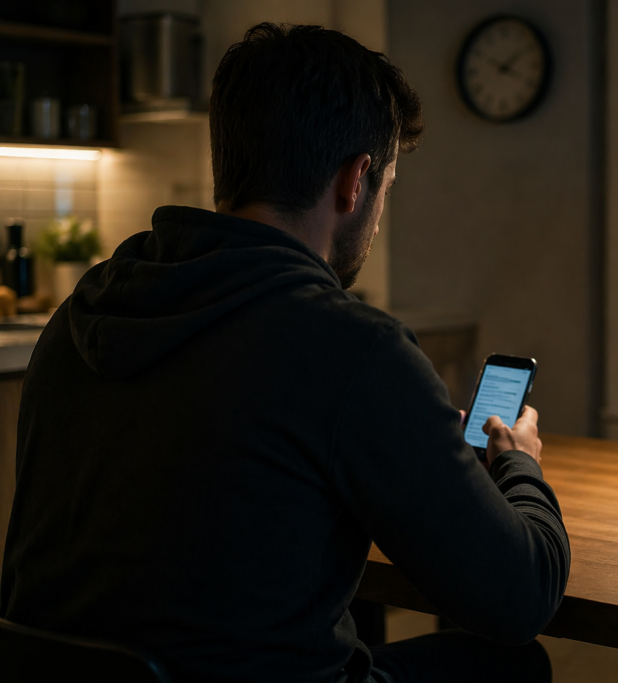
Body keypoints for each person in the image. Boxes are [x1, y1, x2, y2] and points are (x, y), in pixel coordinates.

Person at [0, 23, 570, 683]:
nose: (379, 212)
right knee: (511, 661)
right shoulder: (354, 348)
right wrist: (521, 466)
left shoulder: (78, 318)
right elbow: (520, 593)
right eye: (386, 183)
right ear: (356, 182)